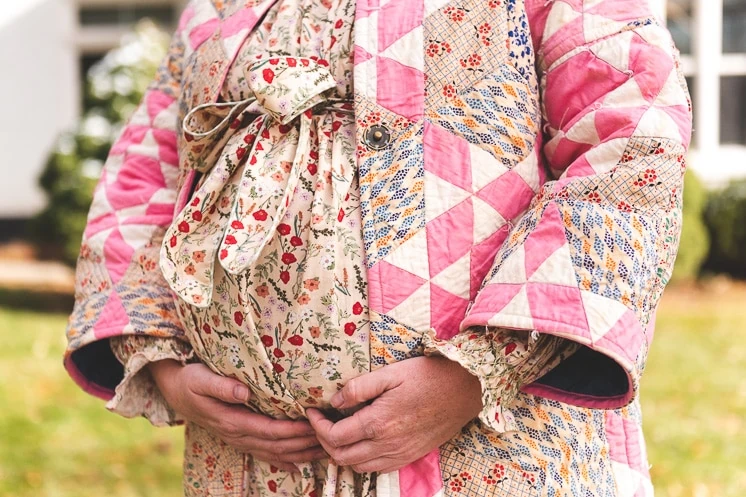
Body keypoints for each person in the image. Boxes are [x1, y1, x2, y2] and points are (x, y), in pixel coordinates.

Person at [64, 0, 692, 495]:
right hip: (247, 469)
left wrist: (475, 375)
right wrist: (167, 369)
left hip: (489, 446)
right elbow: (146, 178)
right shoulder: (222, 6)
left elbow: (630, 145)